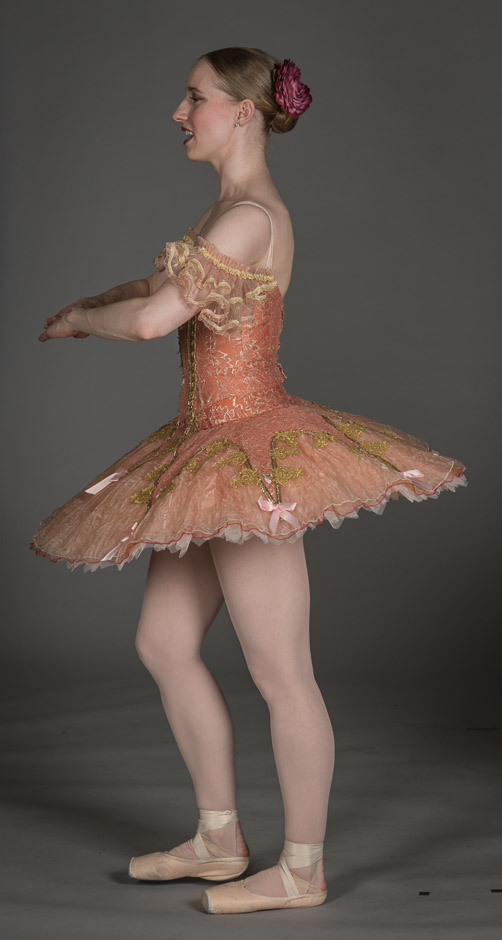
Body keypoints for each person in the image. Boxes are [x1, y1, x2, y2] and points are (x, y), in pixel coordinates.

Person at [30, 47, 467, 915]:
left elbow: (155, 318)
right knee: (163, 643)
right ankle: (220, 839)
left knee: (281, 672)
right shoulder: (223, 213)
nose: (178, 112)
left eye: (193, 96)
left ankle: (302, 868)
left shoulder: (250, 219)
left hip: (247, 454)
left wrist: (86, 319)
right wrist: (91, 305)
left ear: (241, 111)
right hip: (203, 448)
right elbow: (156, 285)